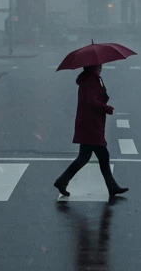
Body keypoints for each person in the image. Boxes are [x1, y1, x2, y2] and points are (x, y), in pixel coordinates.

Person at [54, 64, 129, 201]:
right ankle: (111, 186)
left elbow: (95, 99)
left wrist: (102, 89)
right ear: (92, 68)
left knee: (85, 157)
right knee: (102, 155)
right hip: (90, 124)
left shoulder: (91, 80)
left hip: (88, 123)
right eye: (98, 66)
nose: (101, 67)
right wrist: (106, 108)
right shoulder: (90, 82)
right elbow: (91, 102)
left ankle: (62, 181)